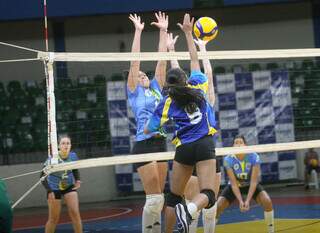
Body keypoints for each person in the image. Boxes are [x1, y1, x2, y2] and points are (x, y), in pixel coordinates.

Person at [144, 13, 217, 233]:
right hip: (204, 144)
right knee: (209, 194)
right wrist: (188, 33)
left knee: (173, 197)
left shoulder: (167, 101)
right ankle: (191, 209)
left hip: (183, 148)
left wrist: (164, 130)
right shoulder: (198, 88)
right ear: (186, 80)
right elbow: (196, 62)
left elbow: (149, 128)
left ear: (169, 84)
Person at [166, 32, 221, 233]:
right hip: (205, 149)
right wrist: (200, 48)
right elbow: (203, 71)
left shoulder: (179, 99)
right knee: (200, 200)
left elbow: (178, 78)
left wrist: (173, 50)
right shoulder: (202, 93)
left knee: (202, 205)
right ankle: (186, 225)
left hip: (188, 149)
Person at [127, 12, 168, 233]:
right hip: (143, 144)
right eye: (138, 74)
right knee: (153, 199)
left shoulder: (156, 88)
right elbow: (135, 62)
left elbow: (161, 60)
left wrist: (162, 30)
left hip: (160, 143)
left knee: (159, 200)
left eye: (144, 74)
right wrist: (138, 31)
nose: (141, 75)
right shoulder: (134, 92)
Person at [215, 135, 274, 233]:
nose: (238, 145)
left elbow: (254, 181)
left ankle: (271, 231)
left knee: (267, 201)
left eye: (240, 142)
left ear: (245, 145)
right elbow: (233, 184)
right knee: (218, 207)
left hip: (251, 185)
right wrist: (240, 201)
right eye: (236, 143)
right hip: (235, 186)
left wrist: (247, 201)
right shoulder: (228, 159)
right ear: (232, 146)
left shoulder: (253, 156)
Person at [41, 135, 82, 233]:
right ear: (59, 146)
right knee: (53, 219)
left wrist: (78, 180)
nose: (66, 145)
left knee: (75, 214)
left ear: (71, 145)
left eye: (68, 143)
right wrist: (49, 191)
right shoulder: (52, 159)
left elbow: (75, 168)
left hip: (68, 186)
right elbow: (42, 178)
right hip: (53, 188)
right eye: (63, 143)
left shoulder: (73, 156)